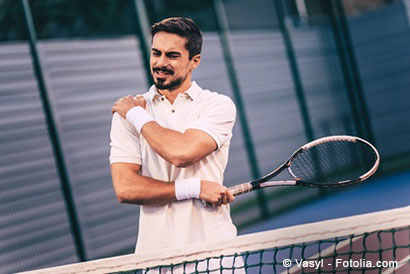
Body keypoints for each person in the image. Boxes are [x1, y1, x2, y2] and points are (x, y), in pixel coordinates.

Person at [109, 17, 243, 272]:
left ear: (195, 61)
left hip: (216, 256)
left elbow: (182, 153)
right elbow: (126, 188)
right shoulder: (127, 113)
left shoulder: (216, 105)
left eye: (172, 55)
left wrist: (138, 116)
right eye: (156, 53)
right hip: (156, 259)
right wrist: (195, 187)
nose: (160, 63)